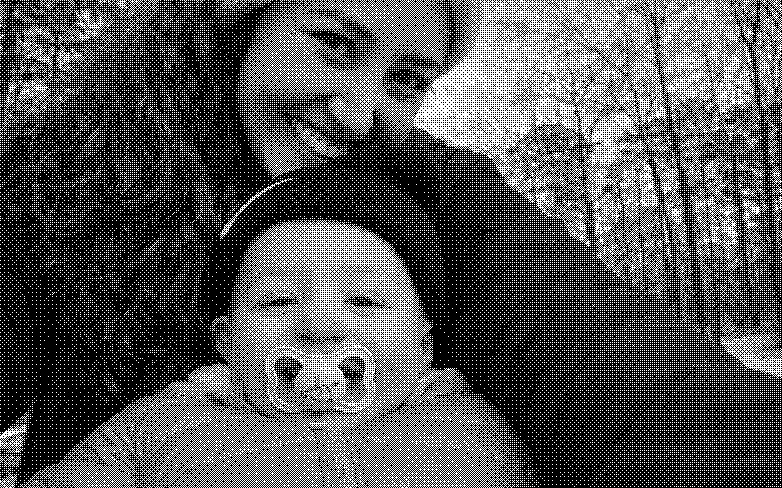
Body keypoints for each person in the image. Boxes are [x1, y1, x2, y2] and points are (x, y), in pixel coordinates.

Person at [0, 0, 779, 486]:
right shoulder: (54, 175)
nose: (358, 112)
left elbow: (617, 365)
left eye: (406, 79)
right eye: (335, 42)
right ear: (241, 23)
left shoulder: (437, 201)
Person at [17, 163, 536, 488]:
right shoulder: (161, 425)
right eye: (279, 301)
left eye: (367, 301)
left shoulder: (481, 423)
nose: (321, 322)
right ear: (225, 341)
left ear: (425, 342)